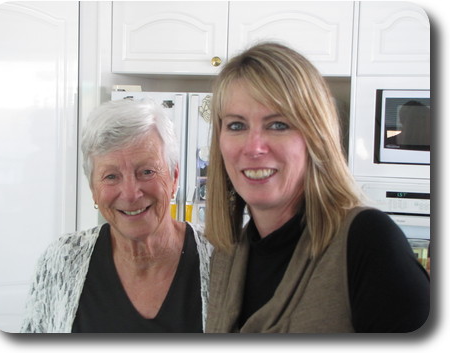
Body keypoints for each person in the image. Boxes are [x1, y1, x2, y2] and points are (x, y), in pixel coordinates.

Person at [204, 42, 430, 333]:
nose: (253, 147)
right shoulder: (227, 255)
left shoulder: (368, 241)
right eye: (236, 126)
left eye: (278, 125)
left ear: (316, 137)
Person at [21, 99, 212, 333]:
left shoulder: (222, 258)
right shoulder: (61, 260)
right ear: (93, 188)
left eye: (147, 171)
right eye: (111, 176)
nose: (131, 194)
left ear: (173, 177)